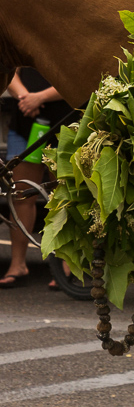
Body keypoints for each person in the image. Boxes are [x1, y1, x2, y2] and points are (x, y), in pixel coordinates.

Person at [1, 67, 69, 288]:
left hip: (64, 120)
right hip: (26, 118)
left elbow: (76, 75)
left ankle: (67, 265)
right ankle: (18, 264)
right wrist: (24, 97)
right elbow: (10, 67)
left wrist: (40, 97)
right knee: (21, 194)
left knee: (63, 195)